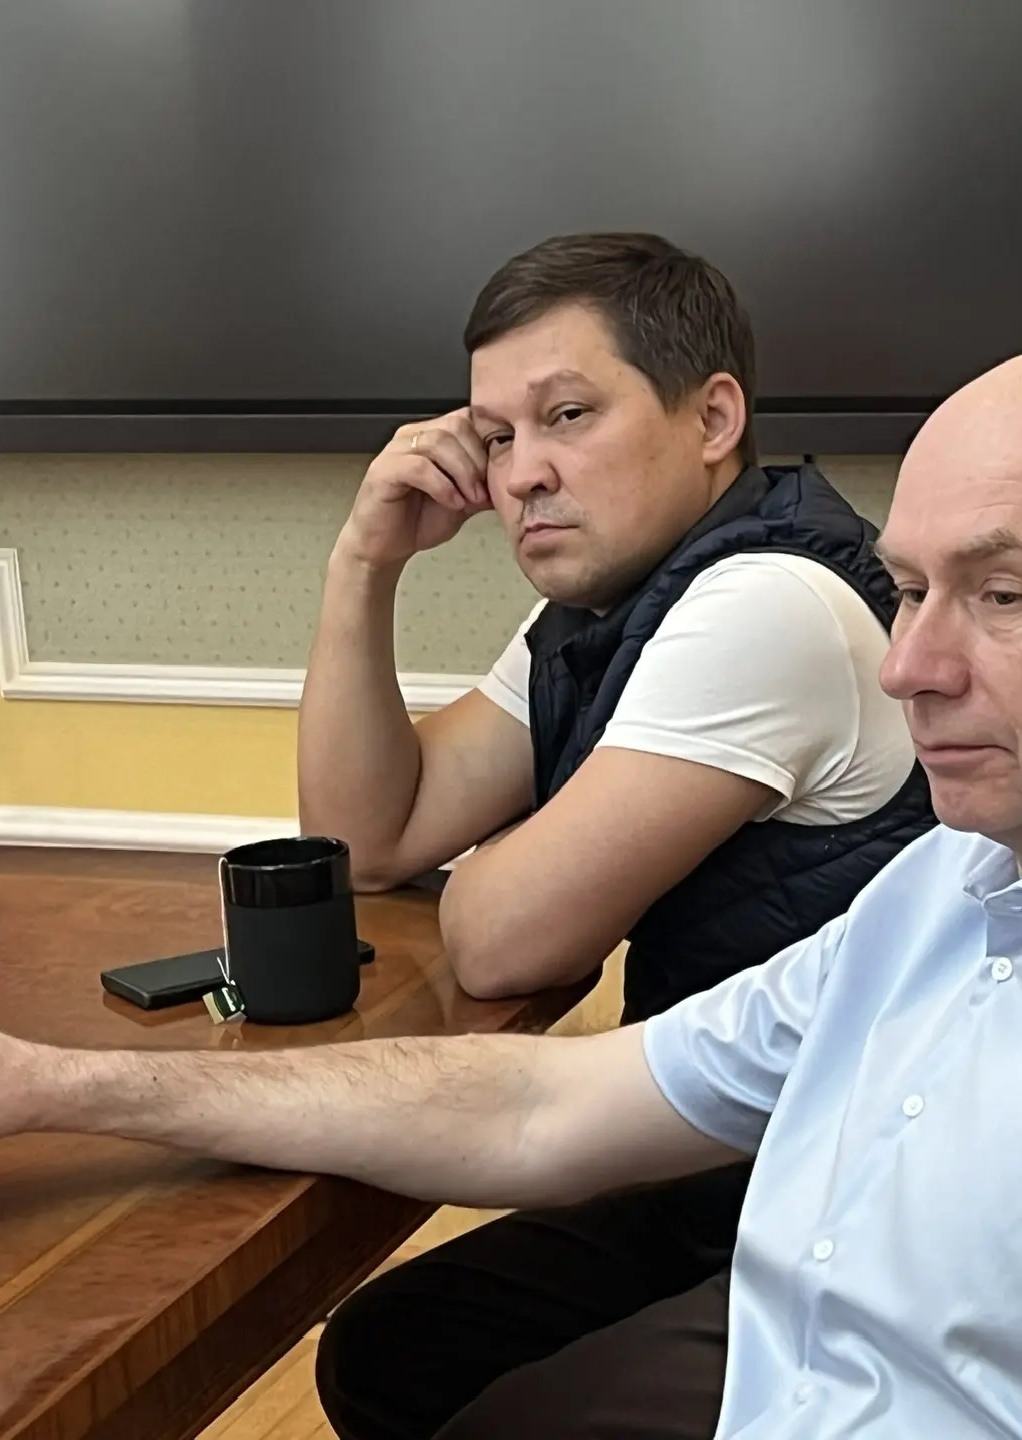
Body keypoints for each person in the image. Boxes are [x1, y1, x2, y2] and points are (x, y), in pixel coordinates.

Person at [0, 343, 1022, 1439]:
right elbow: (544, 1108)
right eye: (909, 590)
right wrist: (58, 1084)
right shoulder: (950, 888)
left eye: (1001, 594)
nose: (908, 666)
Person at [293, 232, 933, 1436]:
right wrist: (362, 561)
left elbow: (505, 944)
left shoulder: (766, 604)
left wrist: (510, 865)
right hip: (724, 1160)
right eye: (496, 437)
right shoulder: (607, 604)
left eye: (568, 415)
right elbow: (367, 840)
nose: (521, 475)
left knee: (503, 1414)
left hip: (855, 1203)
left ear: (713, 418)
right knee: (388, 1350)